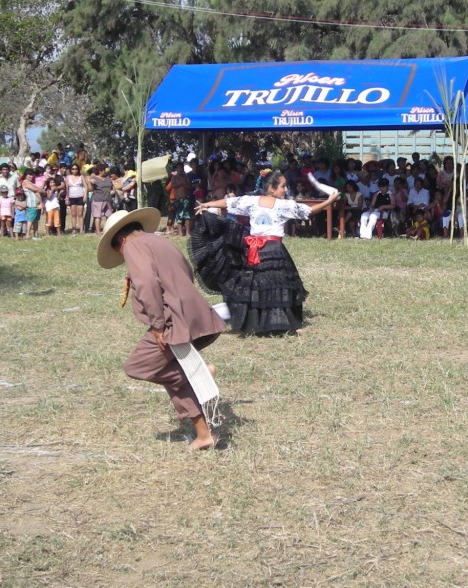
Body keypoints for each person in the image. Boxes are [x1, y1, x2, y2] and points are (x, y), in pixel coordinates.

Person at [97, 207, 226, 450]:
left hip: (171, 321)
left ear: (120, 241)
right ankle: (204, 435)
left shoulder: (133, 246)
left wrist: (158, 325)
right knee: (168, 372)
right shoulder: (157, 241)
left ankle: (199, 374)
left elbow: (146, 284)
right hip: (192, 313)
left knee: (137, 366)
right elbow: (186, 272)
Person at [191, 170, 339, 335]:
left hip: (259, 250)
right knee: (273, 287)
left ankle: (266, 322)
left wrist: (207, 204)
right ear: (271, 188)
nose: (285, 190)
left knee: (258, 287)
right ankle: (269, 322)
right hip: (268, 251)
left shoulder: (259, 202)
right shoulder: (274, 204)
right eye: (283, 186)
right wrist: (329, 201)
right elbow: (309, 211)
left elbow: (229, 202)